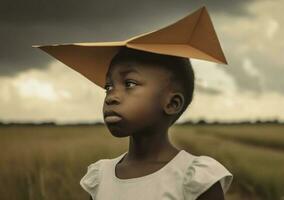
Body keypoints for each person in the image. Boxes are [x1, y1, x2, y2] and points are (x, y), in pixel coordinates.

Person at [33, 6, 233, 200]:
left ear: (172, 103)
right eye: (108, 86)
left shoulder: (194, 179)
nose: (111, 96)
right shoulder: (99, 176)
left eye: (129, 83)